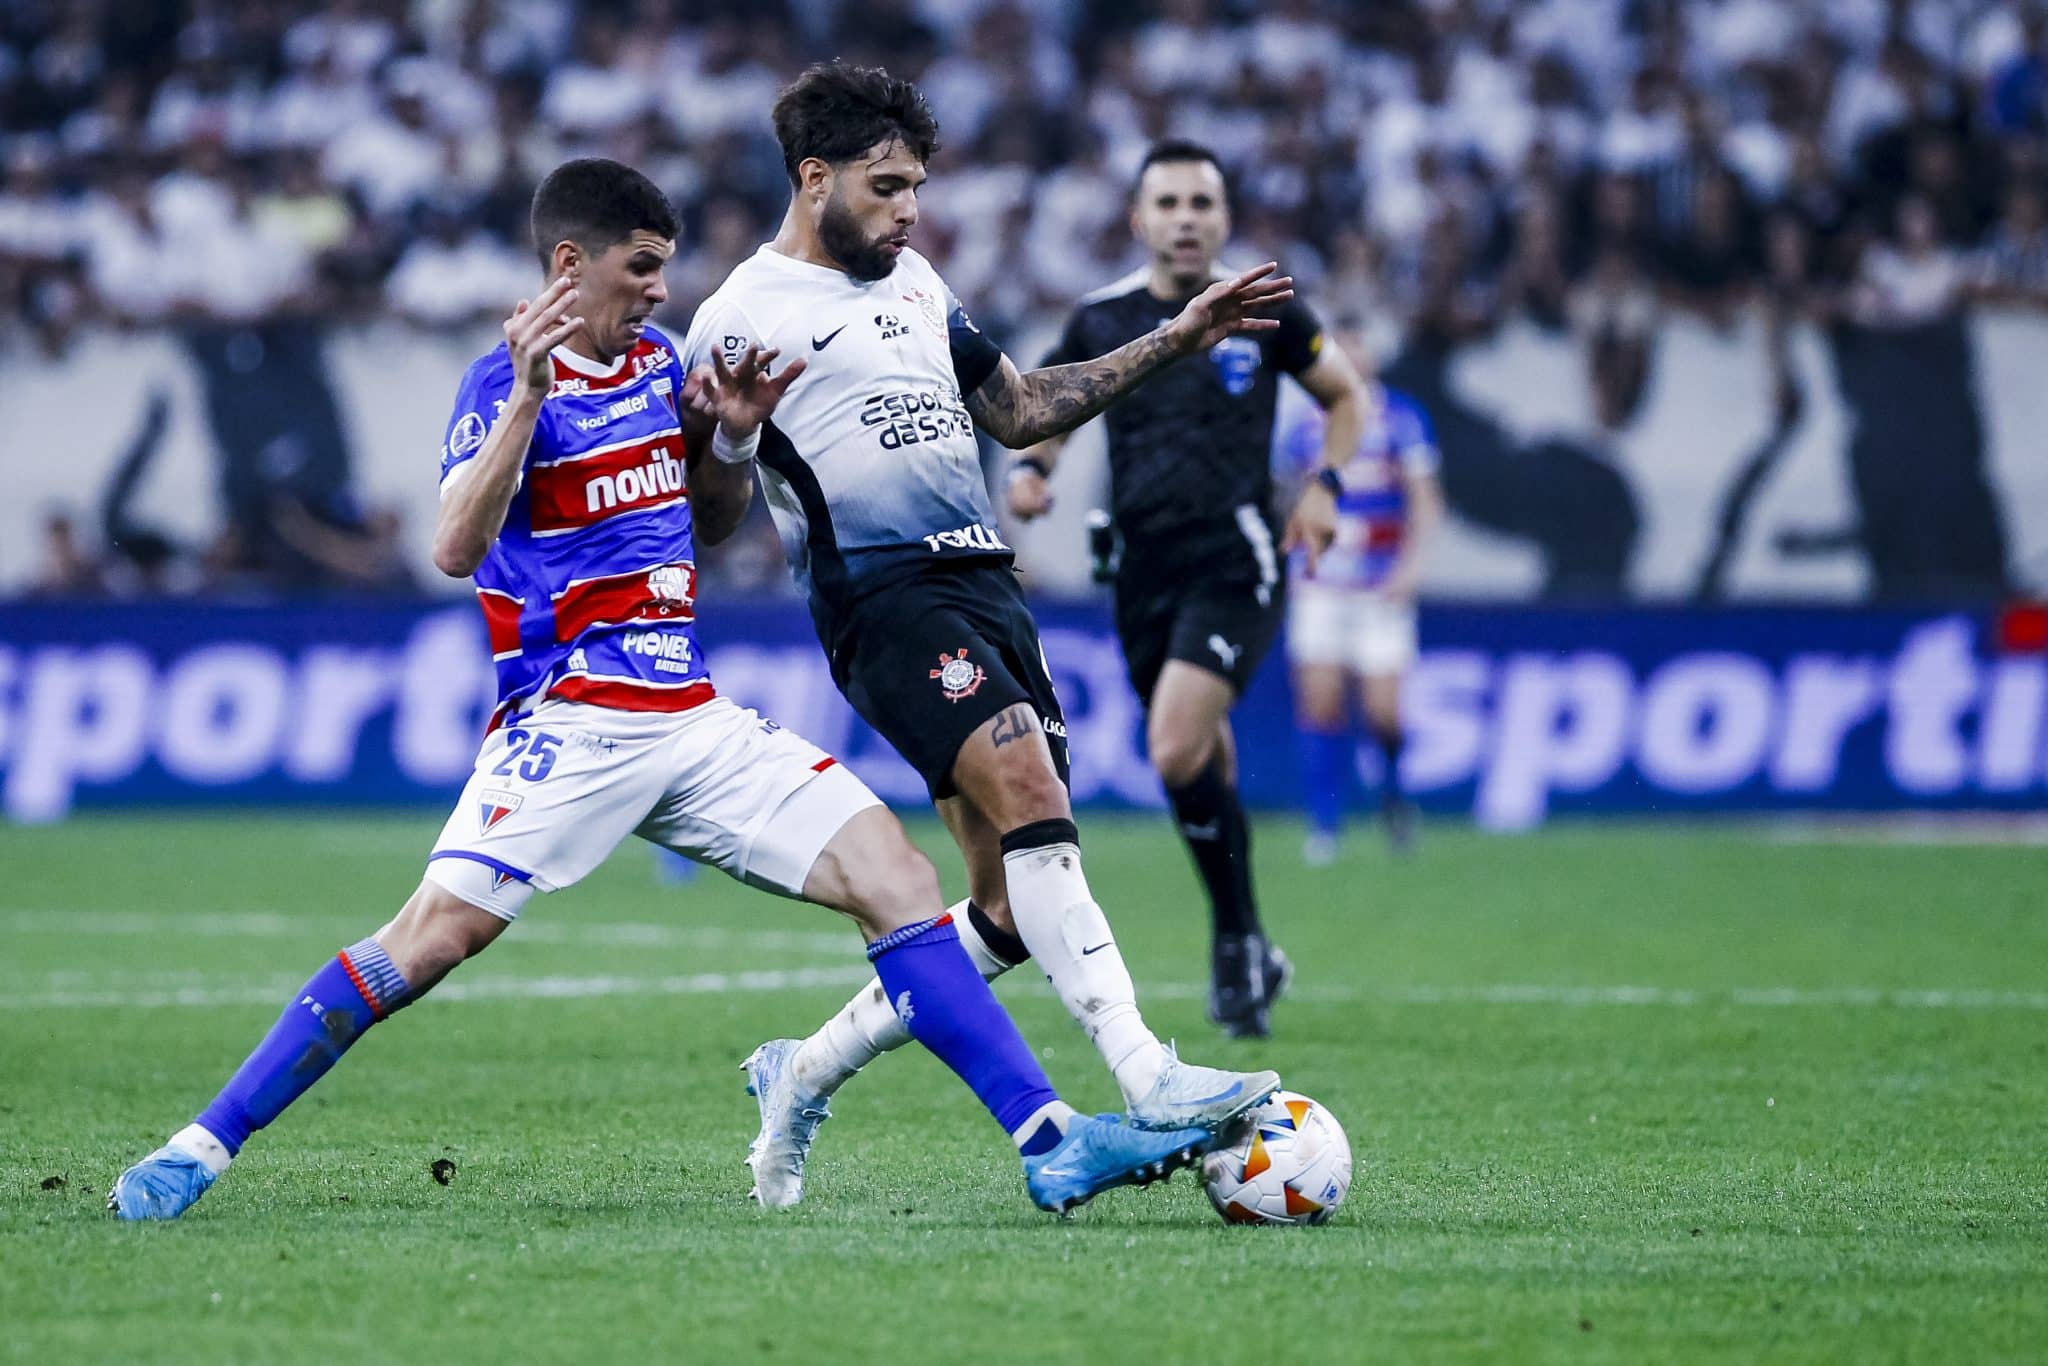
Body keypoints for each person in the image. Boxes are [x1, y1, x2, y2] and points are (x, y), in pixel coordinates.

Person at [107, 159, 1221, 1222]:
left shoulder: (662, 366)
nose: (659, 287)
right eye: (640, 265)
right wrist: (528, 399)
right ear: (567, 265)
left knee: (893, 871)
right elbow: (454, 545)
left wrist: (730, 437)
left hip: (687, 715)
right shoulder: (503, 379)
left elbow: (709, 523)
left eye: (663, 266)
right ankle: (200, 1143)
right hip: (568, 722)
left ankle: (1047, 1140)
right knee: (428, 941)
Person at [680, 66, 1286, 1207]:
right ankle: (1147, 1073)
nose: (910, 209)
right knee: (1026, 788)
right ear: (814, 181)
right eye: (887, 185)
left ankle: (799, 1073)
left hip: (987, 588)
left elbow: (1017, 409)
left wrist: (1175, 335)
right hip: (882, 598)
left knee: (1005, 909)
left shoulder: (911, 280)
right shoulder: (736, 316)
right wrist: (724, 444)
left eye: (915, 186)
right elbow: (710, 522)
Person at [1006, 139, 1373, 1037]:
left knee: (1173, 747)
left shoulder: (1267, 312)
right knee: (1201, 758)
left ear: (1223, 219)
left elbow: (1348, 398)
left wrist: (1324, 487)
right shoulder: (1102, 319)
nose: (1184, 219)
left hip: (1235, 556)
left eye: (1201, 203)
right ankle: (1245, 943)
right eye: (1166, 203)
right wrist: (1035, 471)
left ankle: (1236, 941)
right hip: (1139, 568)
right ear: (1139, 219)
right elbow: (1049, 401)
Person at [1276, 343, 1444, 862]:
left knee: (1383, 715)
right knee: (1321, 705)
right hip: (1319, 587)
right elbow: (1281, 495)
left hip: (1378, 589)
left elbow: (1426, 499)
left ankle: (1393, 798)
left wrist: (1410, 569)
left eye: (1357, 347)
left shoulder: (1401, 418)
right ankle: (1325, 827)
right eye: (1339, 347)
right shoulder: (1304, 423)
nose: (1349, 357)